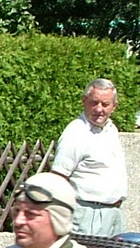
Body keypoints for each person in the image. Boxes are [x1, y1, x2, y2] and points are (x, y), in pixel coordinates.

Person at [52, 78, 128, 238]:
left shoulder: (110, 129)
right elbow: (59, 177)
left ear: (114, 107)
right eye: (94, 103)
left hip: (112, 214)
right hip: (85, 215)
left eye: (105, 104)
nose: (99, 109)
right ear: (84, 101)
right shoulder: (76, 132)